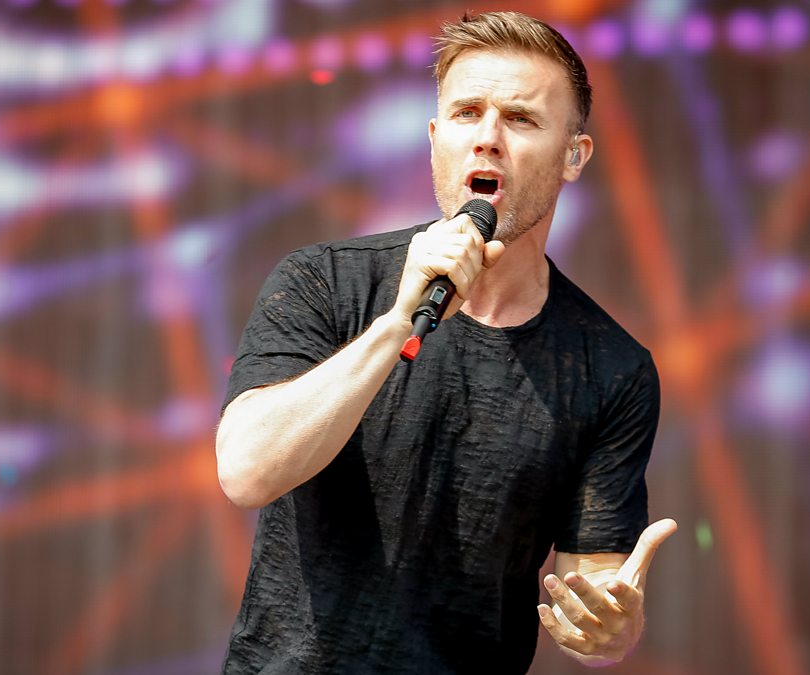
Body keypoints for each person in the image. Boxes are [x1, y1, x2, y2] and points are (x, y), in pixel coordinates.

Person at [215, 11, 676, 673]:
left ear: (573, 156)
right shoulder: (323, 280)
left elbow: (593, 593)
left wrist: (610, 630)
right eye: (466, 113)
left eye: (520, 119)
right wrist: (397, 322)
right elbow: (247, 471)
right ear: (436, 141)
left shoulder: (610, 368)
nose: (487, 138)